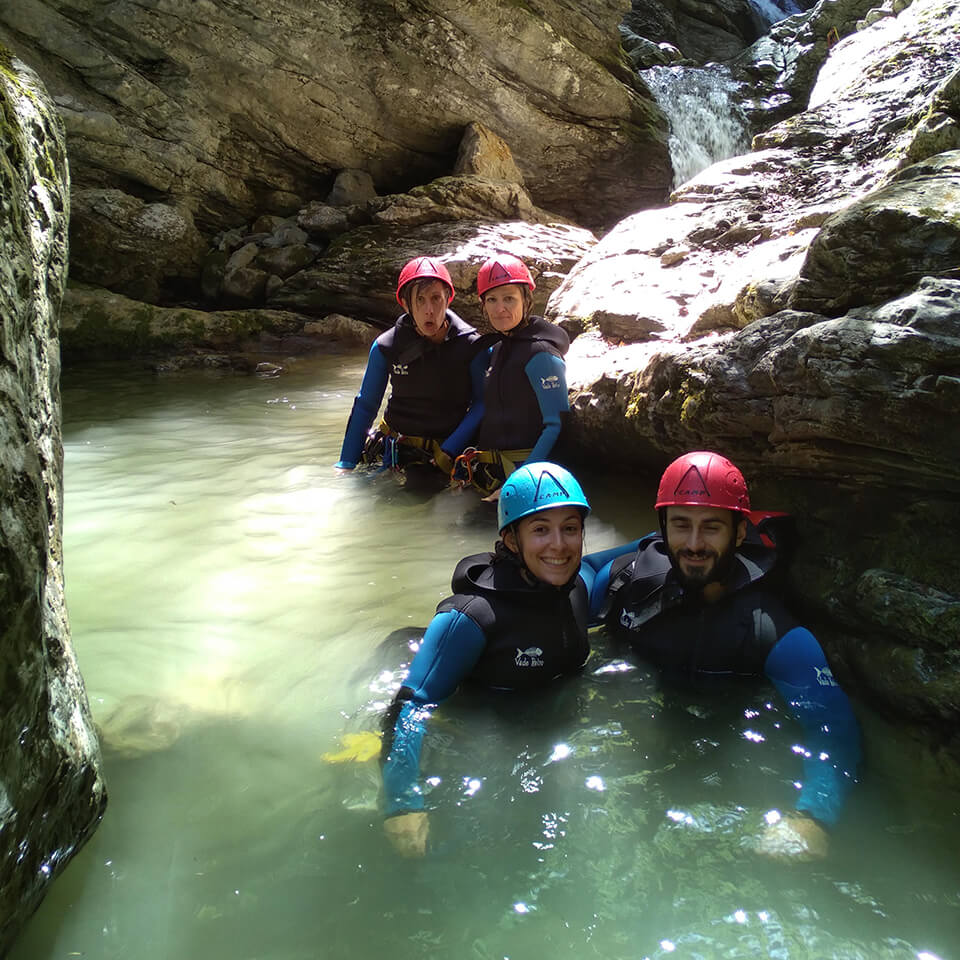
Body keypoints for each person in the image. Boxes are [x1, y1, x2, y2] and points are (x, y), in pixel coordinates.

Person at [582, 450, 861, 860]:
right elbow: (581, 574)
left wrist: (813, 816)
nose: (694, 544)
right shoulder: (629, 579)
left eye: (711, 527)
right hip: (637, 749)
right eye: (681, 525)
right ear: (663, 528)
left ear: (739, 533)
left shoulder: (770, 630)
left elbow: (832, 726)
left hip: (724, 757)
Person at [380, 462, 594, 857]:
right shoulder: (470, 617)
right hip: (470, 733)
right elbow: (410, 707)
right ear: (511, 539)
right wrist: (402, 801)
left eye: (570, 528)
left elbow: (615, 563)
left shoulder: (577, 589)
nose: (559, 545)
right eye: (541, 530)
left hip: (537, 737)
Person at [335, 256, 488, 478]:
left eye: (436, 298)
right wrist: (346, 463)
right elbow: (366, 405)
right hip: (394, 450)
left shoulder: (473, 346)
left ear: (448, 299)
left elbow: (483, 403)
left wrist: (449, 450)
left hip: (446, 454)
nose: (429, 310)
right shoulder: (386, 346)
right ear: (406, 305)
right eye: (420, 300)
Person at [452, 254, 570, 497]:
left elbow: (556, 426)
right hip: (490, 475)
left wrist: (516, 486)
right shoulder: (499, 349)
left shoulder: (542, 355)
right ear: (483, 305)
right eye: (492, 300)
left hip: (522, 481)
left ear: (526, 300)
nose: (500, 308)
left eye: (509, 298)